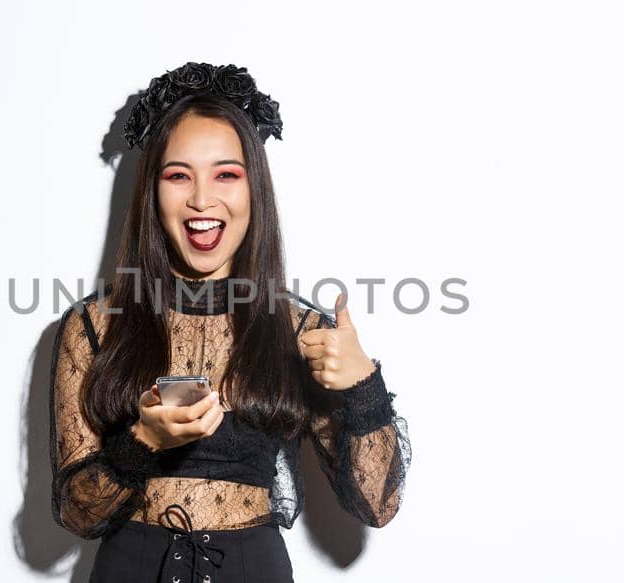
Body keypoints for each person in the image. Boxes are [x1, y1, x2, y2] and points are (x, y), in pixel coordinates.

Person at [49, 62, 411, 583]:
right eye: (179, 175)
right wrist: (142, 443)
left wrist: (362, 387)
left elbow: (378, 505)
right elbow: (76, 514)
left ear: (253, 189)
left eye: (226, 174)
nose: (201, 199)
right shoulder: (93, 326)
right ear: (152, 191)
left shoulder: (301, 330)